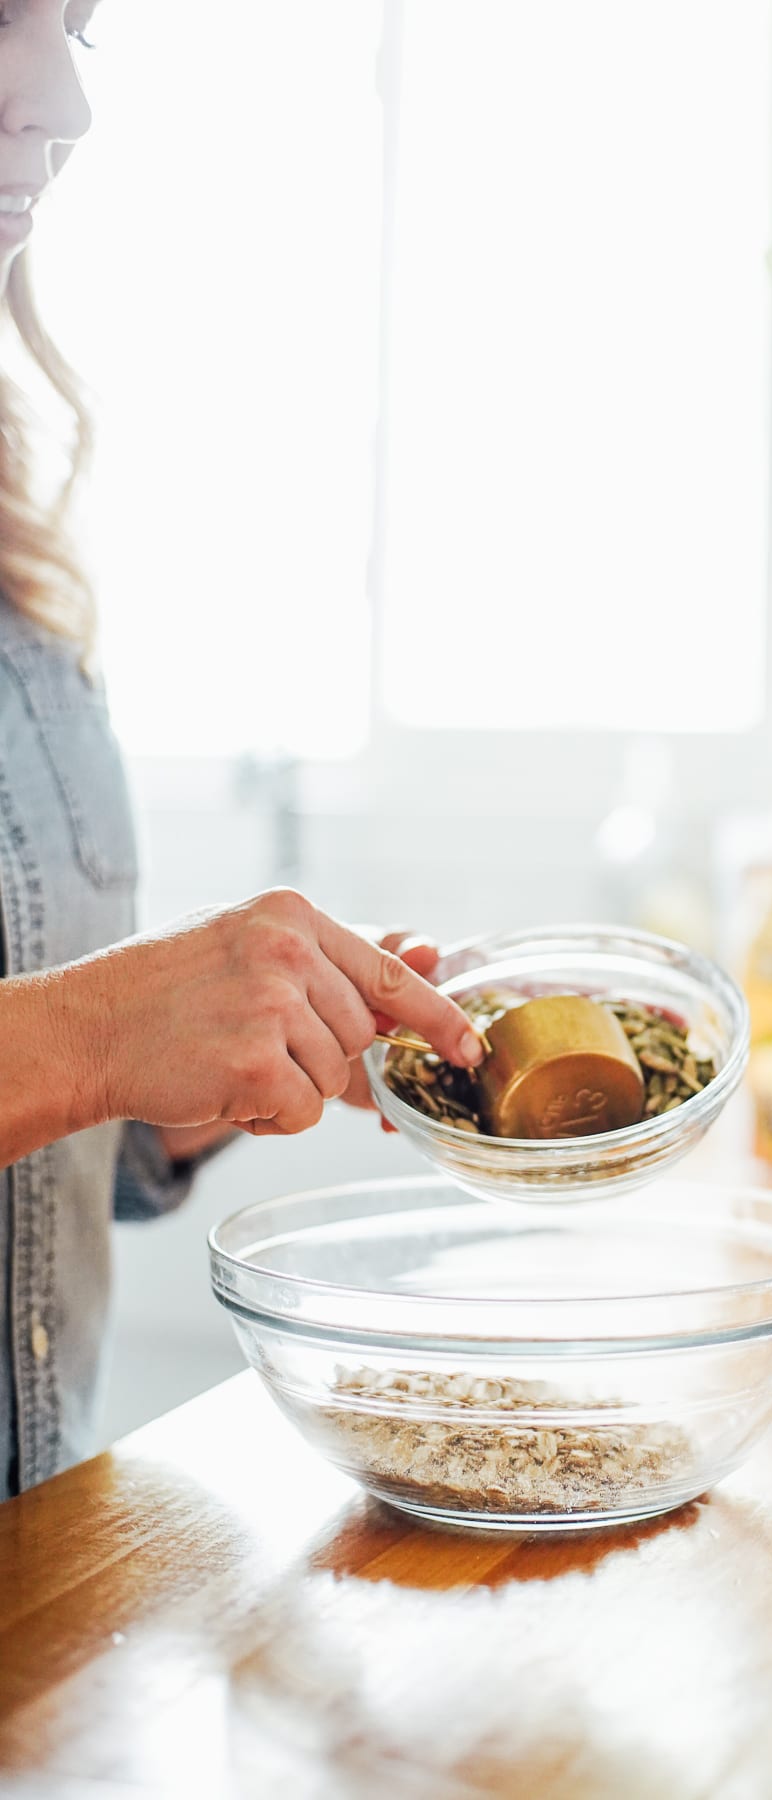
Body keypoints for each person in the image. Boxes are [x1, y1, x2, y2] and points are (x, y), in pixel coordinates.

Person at [0, 1, 485, 1496]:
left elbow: (49, 1146)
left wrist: (183, 1080)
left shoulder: (15, 531)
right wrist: (89, 1036)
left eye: (75, 20)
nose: (67, 100)